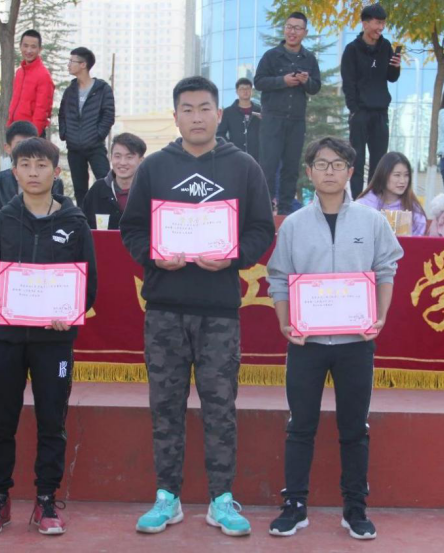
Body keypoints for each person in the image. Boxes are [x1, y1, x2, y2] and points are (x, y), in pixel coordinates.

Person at [119, 77, 275, 537]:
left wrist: (233, 256)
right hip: (165, 309)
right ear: (176, 117)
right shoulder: (154, 168)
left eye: (205, 108)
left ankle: (221, 499)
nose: (197, 117)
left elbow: (261, 230)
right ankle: (167, 497)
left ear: (219, 114)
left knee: (220, 407)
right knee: (165, 406)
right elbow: (132, 229)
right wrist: (154, 255)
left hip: (219, 311)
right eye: (187, 109)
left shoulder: (243, 167)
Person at [266, 137, 403, 540]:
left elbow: (385, 271)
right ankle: (294, 506)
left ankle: (355, 508)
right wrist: (285, 323)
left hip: (356, 343)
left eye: (338, 164)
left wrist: (380, 317)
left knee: (354, 427)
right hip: (306, 344)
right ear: (309, 172)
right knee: (300, 425)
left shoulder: (372, 222)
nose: (330, 171)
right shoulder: (293, 225)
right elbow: (278, 278)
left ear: (351, 172)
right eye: (322, 164)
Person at [0, 138, 97, 537]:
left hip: (53, 343)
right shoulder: (0, 221)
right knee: (1, 420)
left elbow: (88, 283)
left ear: (56, 173)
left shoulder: (75, 223)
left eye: (41, 165)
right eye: (25, 165)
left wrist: (69, 314)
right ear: (14, 172)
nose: (33, 172)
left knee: (51, 420)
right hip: (7, 339)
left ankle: (46, 499)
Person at [255, 12, 321, 215]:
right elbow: (259, 82)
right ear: (284, 29)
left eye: (297, 28)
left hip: (296, 120)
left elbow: (316, 87)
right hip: (272, 119)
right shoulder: (271, 56)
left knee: (291, 168)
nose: (292, 32)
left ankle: (285, 211)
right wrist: (282, 81)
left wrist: (305, 81)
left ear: (305, 32)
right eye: (289, 27)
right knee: (268, 166)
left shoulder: (309, 59)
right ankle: (264, 210)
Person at [341, 3, 401, 200]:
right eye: (377, 23)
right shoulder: (352, 50)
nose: (380, 28)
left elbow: (391, 77)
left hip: (380, 112)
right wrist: (354, 109)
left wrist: (396, 66)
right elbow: (348, 83)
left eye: (383, 23)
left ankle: (374, 200)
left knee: (379, 162)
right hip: (360, 113)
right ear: (365, 24)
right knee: (357, 161)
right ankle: (357, 201)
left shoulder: (386, 47)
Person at [59, 47, 116, 207]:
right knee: (79, 189)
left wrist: (98, 135)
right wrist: (65, 134)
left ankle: (110, 215)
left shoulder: (102, 89)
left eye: (72, 61)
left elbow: (108, 115)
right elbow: (62, 114)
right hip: (74, 148)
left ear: (83, 64)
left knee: (106, 183)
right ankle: (83, 218)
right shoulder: (70, 90)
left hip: (95, 146)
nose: (69, 64)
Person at [0, 121, 65, 217]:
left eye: (30, 144)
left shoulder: (53, 180)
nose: (26, 149)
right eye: (19, 144)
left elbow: (58, 215)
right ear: (8, 148)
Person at [83, 133, 146, 230]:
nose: (122, 162)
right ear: (111, 157)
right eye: (117, 156)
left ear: (141, 160)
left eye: (129, 157)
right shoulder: (97, 190)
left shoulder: (149, 191)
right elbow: (83, 227)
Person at [357, 151, 427, 236]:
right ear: (383, 175)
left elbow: (419, 240)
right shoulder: (363, 206)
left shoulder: (414, 209)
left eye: (406, 175)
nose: (402, 181)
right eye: (397, 175)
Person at [7, 30, 55, 137]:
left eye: (33, 47)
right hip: (15, 131)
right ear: (20, 46)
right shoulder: (19, 72)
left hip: (31, 135)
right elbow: (14, 102)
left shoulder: (43, 75)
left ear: (40, 49)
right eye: (25, 46)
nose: (28, 50)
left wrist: (33, 137)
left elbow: (41, 111)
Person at [217, 78, 262, 163]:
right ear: (237, 91)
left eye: (248, 88)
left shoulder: (260, 111)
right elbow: (220, 133)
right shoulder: (228, 112)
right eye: (242, 89)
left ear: (251, 91)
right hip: (235, 156)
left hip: (258, 157)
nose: (245, 91)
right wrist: (230, 147)